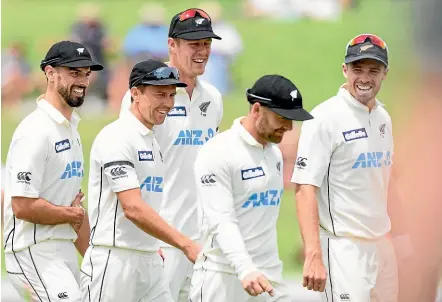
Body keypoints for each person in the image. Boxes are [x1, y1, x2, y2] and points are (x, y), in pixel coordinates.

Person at [119, 8, 223, 302]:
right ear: (172, 45)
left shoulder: (213, 98)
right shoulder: (145, 93)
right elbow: (130, 165)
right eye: (194, 44)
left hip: (201, 240)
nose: (202, 51)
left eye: (206, 43)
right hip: (159, 241)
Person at [80, 60, 200, 302]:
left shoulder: (151, 140)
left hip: (150, 259)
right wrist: (185, 244)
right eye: (159, 94)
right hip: (114, 261)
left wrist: (149, 244)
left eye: (170, 95)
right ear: (135, 93)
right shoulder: (117, 137)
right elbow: (133, 208)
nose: (167, 103)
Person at [292, 34, 399, 301]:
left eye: (373, 70)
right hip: (343, 249)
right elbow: (305, 188)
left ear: (385, 73)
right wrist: (313, 254)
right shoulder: (324, 118)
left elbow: (384, 181)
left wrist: (401, 241)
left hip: (383, 246)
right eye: (357, 69)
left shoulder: (384, 117)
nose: (365, 78)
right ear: (344, 70)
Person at [189, 75, 314, 301]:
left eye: (293, 119)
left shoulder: (274, 153)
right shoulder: (218, 152)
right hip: (224, 276)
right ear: (256, 110)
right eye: (282, 117)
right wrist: (244, 268)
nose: (288, 127)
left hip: (269, 275)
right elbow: (222, 220)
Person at [3, 40, 103, 302]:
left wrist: (97, 260)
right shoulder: (35, 131)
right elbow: (22, 205)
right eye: (74, 73)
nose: (83, 81)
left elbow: (75, 212)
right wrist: (68, 213)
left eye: (86, 73)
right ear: (50, 73)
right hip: (32, 250)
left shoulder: (71, 130)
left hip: (61, 250)